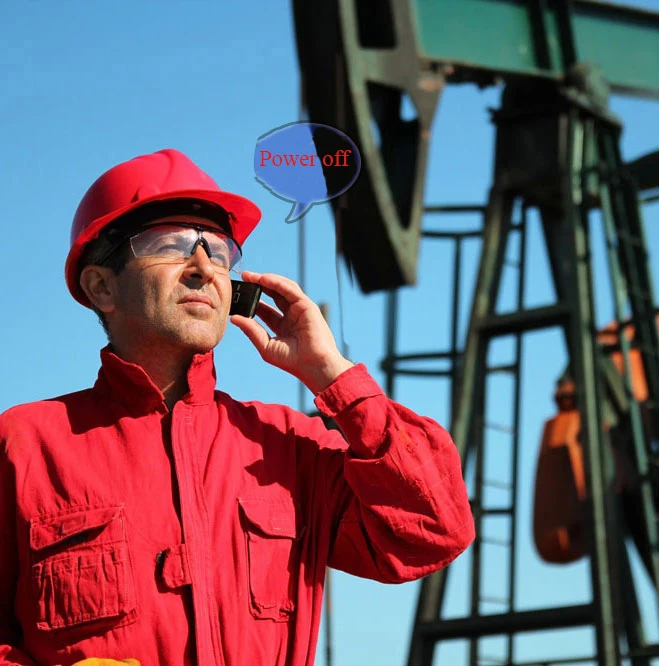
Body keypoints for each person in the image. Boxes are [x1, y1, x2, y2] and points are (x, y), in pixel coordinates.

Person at [0, 149, 474, 666]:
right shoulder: (23, 446)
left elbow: (434, 530)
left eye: (220, 252)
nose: (204, 268)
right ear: (101, 286)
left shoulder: (290, 449)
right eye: (171, 245)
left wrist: (332, 374)